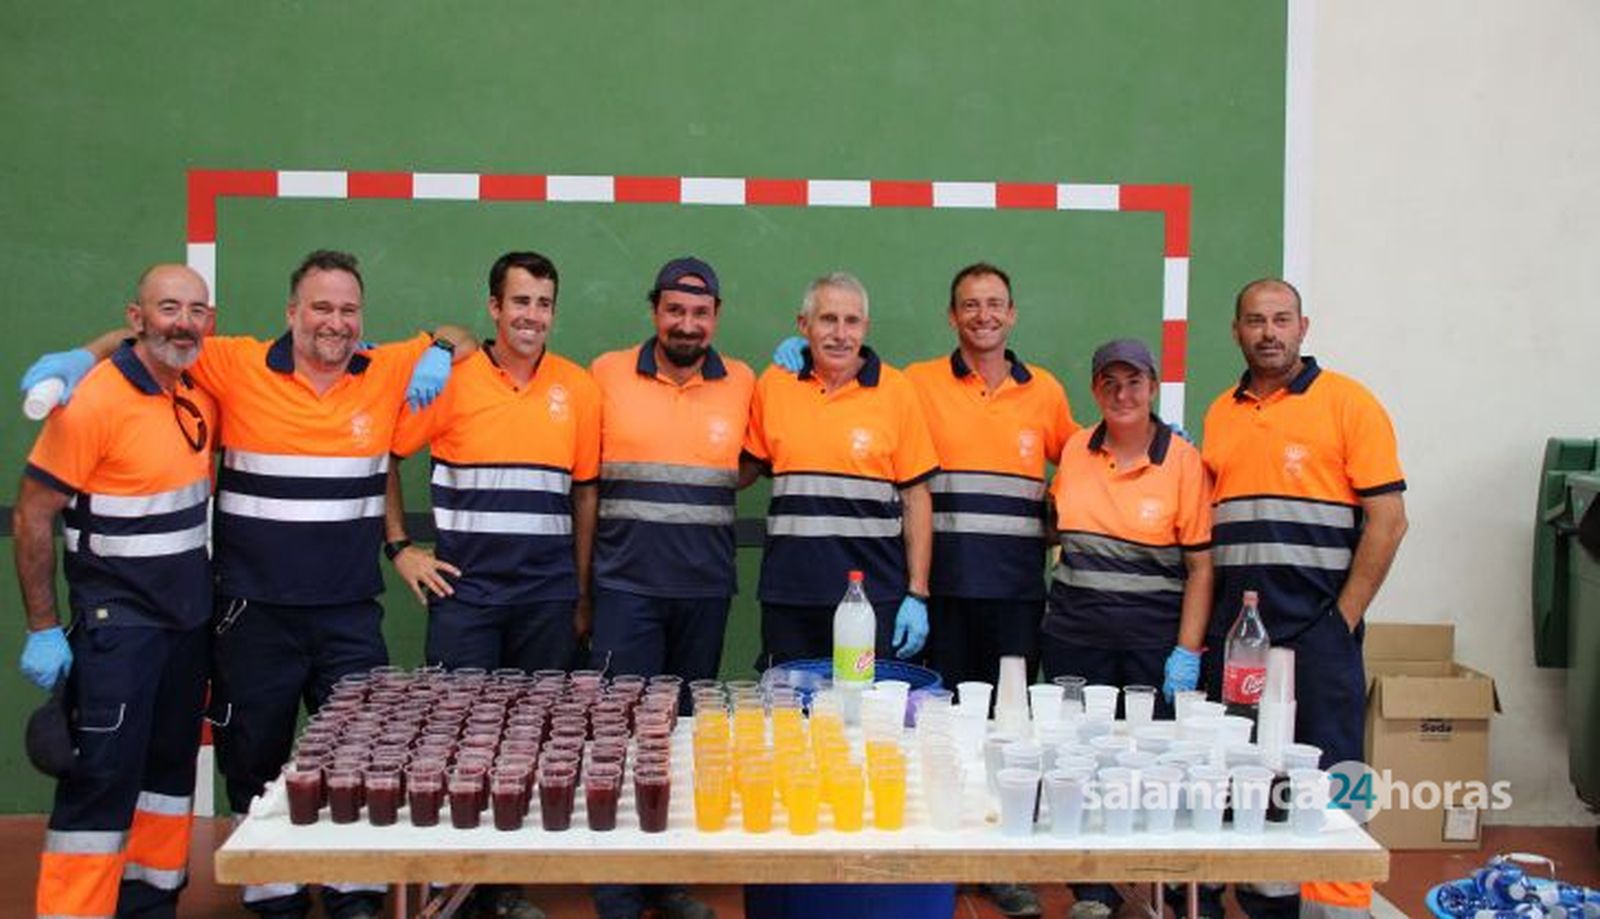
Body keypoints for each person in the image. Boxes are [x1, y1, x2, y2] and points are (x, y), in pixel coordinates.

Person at [19, 249, 475, 919]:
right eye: (321, 307)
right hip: (247, 613)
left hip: (346, 611)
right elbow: (147, 340)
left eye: (348, 310)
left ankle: (354, 890)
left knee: (361, 757)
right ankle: (272, 889)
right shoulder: (229, 363)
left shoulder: (385, 368)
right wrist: (79, 358)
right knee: (254, 756)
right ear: (291, 313)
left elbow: (460, 338)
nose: (335, 322)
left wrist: (438, 347)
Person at [385, 251, 599, 919]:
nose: (532, 315)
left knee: (529, 745)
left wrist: (581, 589)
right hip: (465, 596)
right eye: (520, 302)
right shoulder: (450, 376)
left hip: (546, 596)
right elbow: (385, 459)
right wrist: (400, 548)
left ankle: (503, 887)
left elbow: (584, 494)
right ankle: (455, 885)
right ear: (494, 308)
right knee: (460, 743)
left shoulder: (579, 387)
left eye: (543, 303)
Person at [1201, 278, 1408, 919]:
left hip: (1318, 636)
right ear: (1236, 330)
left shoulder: (1350, 404)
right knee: (1248, 782)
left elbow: (1389, 520)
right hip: (1239, 640)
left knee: (1331, 783)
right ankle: (1267, 905)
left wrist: (1340, 622)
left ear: (1303, 327)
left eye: (1281, 320)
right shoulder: (1220, 412)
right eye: (1256, 321)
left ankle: (1338, 911)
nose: (1269, 332)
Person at [17, 265, 218, 919]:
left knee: (166, 780)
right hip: (118, 631)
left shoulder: (197, 390)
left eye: (194, 309)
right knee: (100, 786)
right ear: (137, 317)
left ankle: (149, 905)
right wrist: (43, 625)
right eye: (167, 307)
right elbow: (32, 514)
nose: (181, 322)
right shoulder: (93, 399)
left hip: (186, 626)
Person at [584, 257, 749, 919]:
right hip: (625, 590)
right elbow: (585, 482)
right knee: (621, 738)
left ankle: (667, 877)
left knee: (681, 740)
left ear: (716, 316)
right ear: (655, 310)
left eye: (700, 311)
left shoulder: (743, 382)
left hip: (704, 591)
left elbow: (756, 459)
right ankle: (618, 888)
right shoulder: (604, 373)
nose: (687, 323)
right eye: (675, 310)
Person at [1039, 338, 1213, 919]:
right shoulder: (1073, 450)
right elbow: (1057, 532)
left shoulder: (1184, 461)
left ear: (1153, 386)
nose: (1122, 393)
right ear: (1094, 390)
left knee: (1153, 765)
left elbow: (1200, 566)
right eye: (1109, 382)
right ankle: (1094, 890)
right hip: (1074, 639)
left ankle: (1164, 883)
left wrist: (1187, 649)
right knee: (1080, 762)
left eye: (1133, 381)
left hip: (1151, 647)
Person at [740, 271, 938, 667]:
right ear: (804, 325)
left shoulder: (896, 391)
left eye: (852, 321)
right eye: (828, 319)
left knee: (865, 718)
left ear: (865, 327)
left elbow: (917, 496)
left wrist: (917, 593)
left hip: (874, 595)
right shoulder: (773, 385)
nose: (840, 334)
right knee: (789, 719)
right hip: (789, 595)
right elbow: (746, 470)